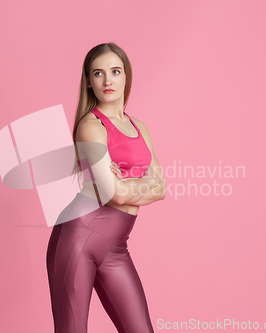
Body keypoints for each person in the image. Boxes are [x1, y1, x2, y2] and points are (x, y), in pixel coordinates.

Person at [46, 42, 166, 333]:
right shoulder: (91, 127)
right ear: (89, 81)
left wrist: (126, 182)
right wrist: (139, 184)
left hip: (115, 247)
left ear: (126, 76)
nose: (108, 80)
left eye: (115, 71)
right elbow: (116, 193)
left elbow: (162, 186)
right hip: (77, 237)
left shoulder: (139, 127)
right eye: (98, 73)